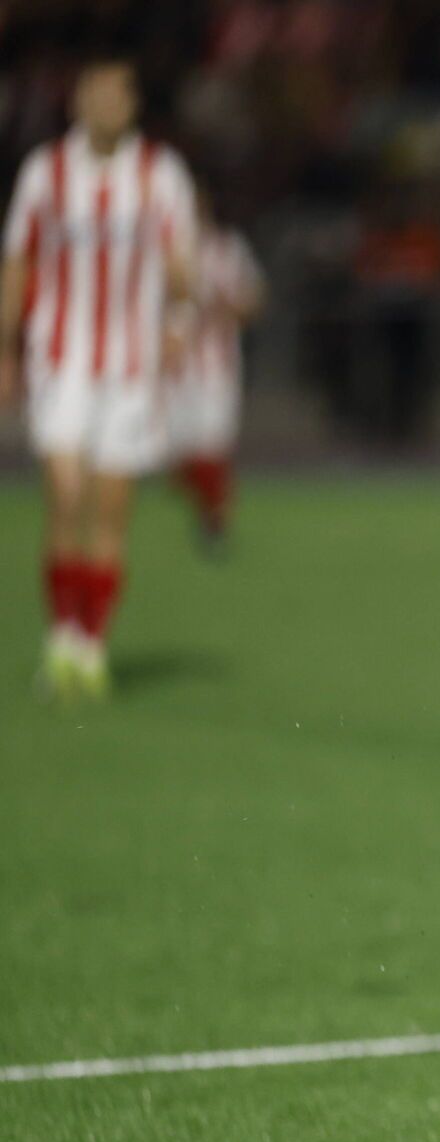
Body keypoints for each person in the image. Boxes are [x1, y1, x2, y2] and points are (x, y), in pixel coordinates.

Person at [0, 55, 196, 700]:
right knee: (64, 494)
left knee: (111, 510)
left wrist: (179, 317)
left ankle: (91, 644)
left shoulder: (159, 174)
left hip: (131, 369)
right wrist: (4, 349)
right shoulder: (46, 171)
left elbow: (181, 260)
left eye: (111, 94)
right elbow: (19, 260)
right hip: (61, 361)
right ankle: (61, 635)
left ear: (132, 104)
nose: (99, 104)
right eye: (89, 93)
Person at [168, 188, 263, 553]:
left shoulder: (229, 248)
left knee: (212, 445)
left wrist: (229, 306)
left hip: (216, 366)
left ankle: (216, 520)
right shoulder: (163, 249)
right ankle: (205, 506)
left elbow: (254, 300)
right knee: (177, 449)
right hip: (172, 369)